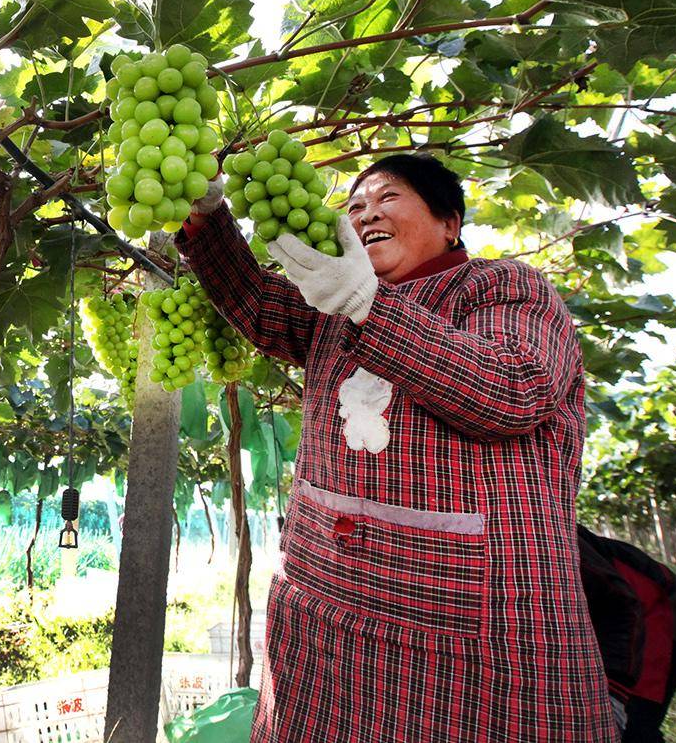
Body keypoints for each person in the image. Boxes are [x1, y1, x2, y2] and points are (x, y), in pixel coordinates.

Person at [178, 152, 616, 742]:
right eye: (354, 207)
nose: (365, 215)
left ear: (450, 223)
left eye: (388, 199)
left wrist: (369, 305)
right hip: (325, 616)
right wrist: (207, 219)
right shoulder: (334, 313)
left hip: (469, 636)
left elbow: (513, 390)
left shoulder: (502, 285)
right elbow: (258, 303)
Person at [578, 525, 676, 741]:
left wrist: (616, 690)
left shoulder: (549, 537)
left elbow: (622, 606)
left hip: (663, 611)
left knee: (633, 723)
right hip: (621, 618)